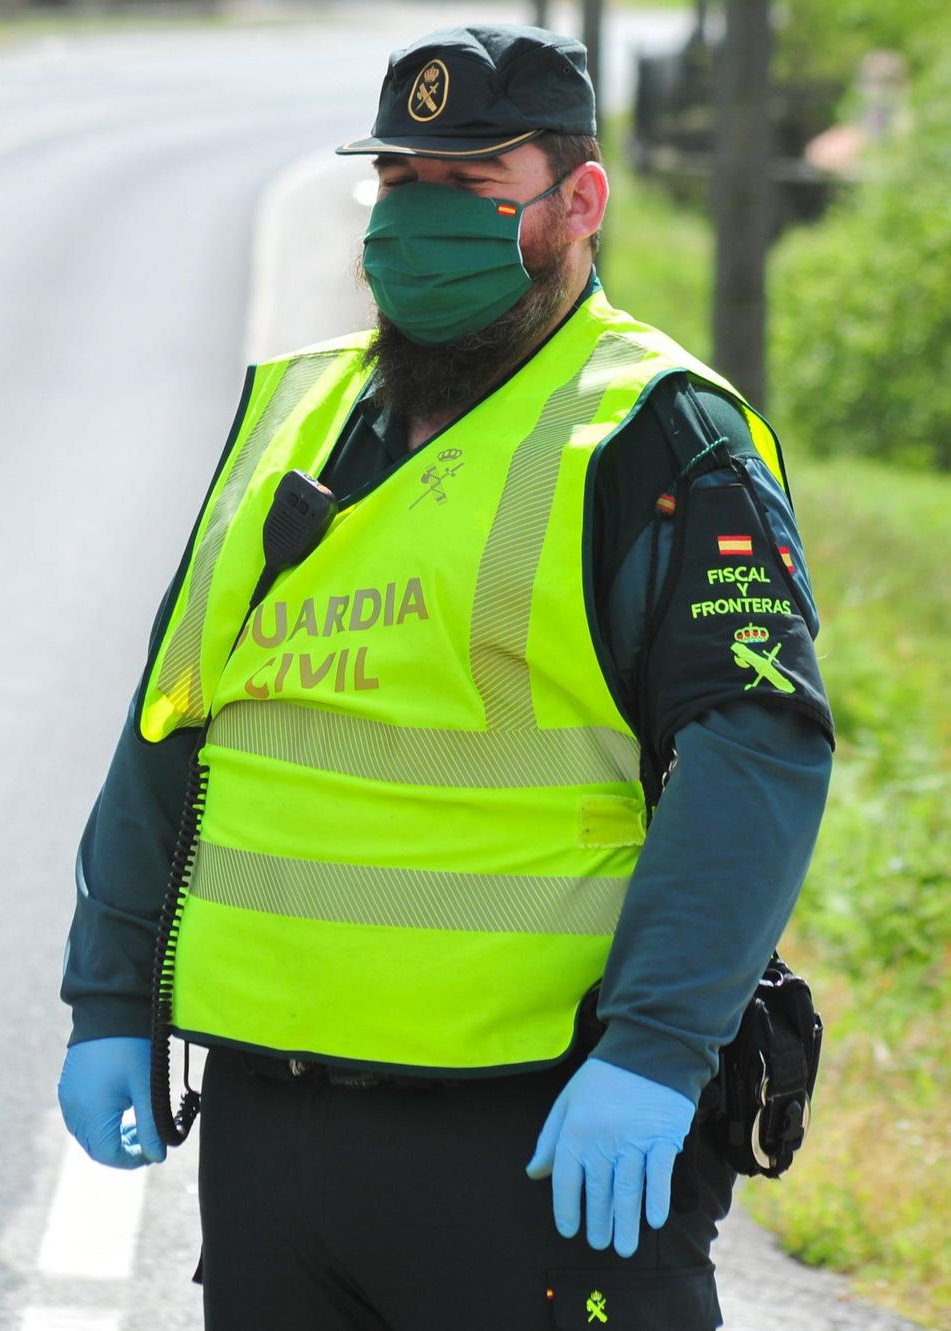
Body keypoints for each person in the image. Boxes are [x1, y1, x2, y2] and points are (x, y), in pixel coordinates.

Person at [56, 25, 832, 1330]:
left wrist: (656, 1047)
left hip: (531, 1126)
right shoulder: (290, 418)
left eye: (469, 189)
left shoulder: (659, 434)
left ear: (579, 201)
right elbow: (169, 726)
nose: (420, 221)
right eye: (399, 182)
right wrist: (108, 994)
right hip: (275, 1132)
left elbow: (754, 755)